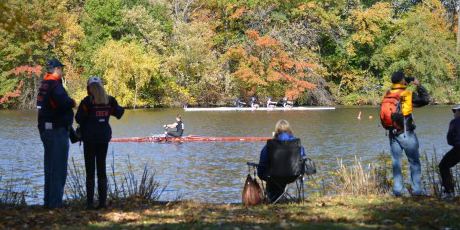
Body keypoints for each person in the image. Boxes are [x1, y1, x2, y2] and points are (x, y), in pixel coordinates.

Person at [75, 77, 124, 209]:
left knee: (90, 170)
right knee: (101, 168)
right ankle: (102, 203)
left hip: (89, 139)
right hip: (103, 138)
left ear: (89, 88)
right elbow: (119, 113)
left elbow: (78, 118)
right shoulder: (109, 100)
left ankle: (90, 203)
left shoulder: (87, 102)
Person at [37, 59, 76, 208]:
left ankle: (48, 201)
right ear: (57, 69)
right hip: (56, 130)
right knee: (58, 168)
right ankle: (55, 203)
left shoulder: (44, 84)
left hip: (45, 129)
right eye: (60, 68)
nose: (62, 71)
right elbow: (64, 102)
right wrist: (72, 102)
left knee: (50, 167)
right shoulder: (55, 85)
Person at [383, 71, 429, 196]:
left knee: (396, 163)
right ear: (403, 81)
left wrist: (406, 82)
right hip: (406, 133)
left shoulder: (388, 94)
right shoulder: (407, 94)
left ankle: (397, 192)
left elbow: (399, 96)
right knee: (414, 162)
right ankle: (417, 192)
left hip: (392, 134)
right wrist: (418, 85)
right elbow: (425, 100)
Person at [257, 120, 305, 202]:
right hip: (293, 175)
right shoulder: (296, 143)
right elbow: (302, 158)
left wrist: (260, 171)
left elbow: (263, 161)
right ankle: (278, 198)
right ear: (289, 129)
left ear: (277, 130)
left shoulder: (270, 145)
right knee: (280, 176)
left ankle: (273, 199)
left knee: (271, 176)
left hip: (272, 176)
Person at [439, 105, 460, 200]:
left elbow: (450, 139)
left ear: (459, 112)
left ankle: (449, 192)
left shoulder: (455, 122)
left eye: (454, 111)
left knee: (443, 166)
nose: (454, 114)